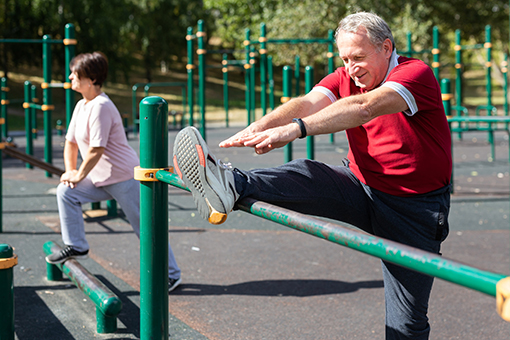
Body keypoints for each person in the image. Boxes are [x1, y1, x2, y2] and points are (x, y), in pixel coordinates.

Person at [173, 12, 452, 338]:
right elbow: (307, 103)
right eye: (345, 58)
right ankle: (230, 184)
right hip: (360, 186)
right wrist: (261, 126)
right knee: (307, 173)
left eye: (359, 57)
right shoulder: (344, 77)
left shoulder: (414, 74)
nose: (352, 67)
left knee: (406, 321)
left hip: (413, 207)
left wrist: (295, 130)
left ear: (386, 47)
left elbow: (365, 107)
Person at [45, 52, 182, 292]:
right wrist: (70, 172)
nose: (70, 77)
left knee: (145, 226)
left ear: (91, 79)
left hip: (124, 177)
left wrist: (78, 174)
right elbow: (71, 143)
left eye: (75, 74)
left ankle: (171, 274)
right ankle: (76, 245)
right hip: (99, 179)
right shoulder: (81, 106)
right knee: (66, 192)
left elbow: (96, 149)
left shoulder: (101, 106)